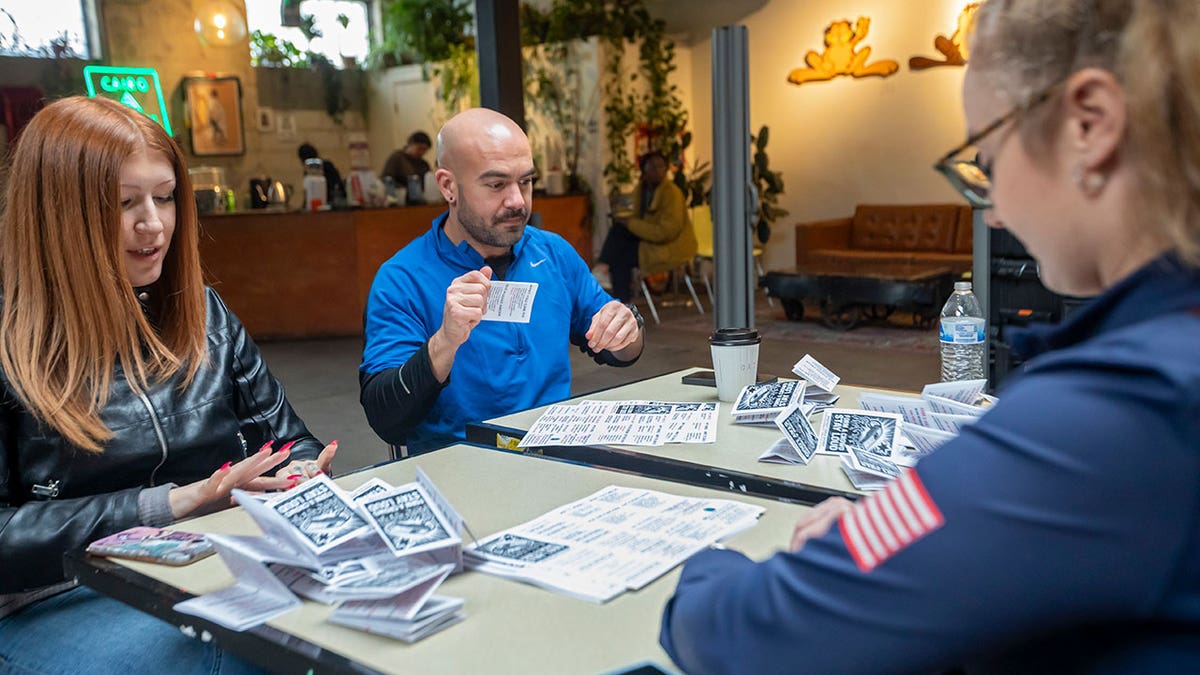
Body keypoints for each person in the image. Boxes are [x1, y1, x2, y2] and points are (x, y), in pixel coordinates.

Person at [660, 1, 1200, 672]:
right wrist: (917, 543)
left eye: (989, 158)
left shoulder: (1123, 406)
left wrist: (700, 571)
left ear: (1090, 123)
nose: (994, 210)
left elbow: (760, 634)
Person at [0, 96, 336, 673]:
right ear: (57, 214)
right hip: (59, 596)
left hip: (216, 564)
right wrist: (172, 504)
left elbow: (288, 442)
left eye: (164, 197)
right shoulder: (12, 339)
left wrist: (297, 473)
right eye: (124, 203)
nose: (152, 224)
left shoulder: (203, 313)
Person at [360, 108, 645, 453]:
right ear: (448, 186)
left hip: (557, 459)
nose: (517, 201)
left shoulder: (552, 253)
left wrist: (626, 328)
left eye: (525, 182)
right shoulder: (403, 279)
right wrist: (445, 342)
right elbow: (385, 419)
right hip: (462, 473)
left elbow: (622, 353)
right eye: (496, 185)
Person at [595, 151, 696, 302]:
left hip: (670, 246)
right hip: (649, 240)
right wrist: (628, 223)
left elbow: (666, 232)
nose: (658, 171)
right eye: (653, 167)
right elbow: (639, 219)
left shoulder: (672, 193)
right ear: (644, 170)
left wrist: (631, 224)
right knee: (618, 230)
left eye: (661, 166)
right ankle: (605, 268)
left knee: (621, 259)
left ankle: (620, 299)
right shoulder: (642, 190)